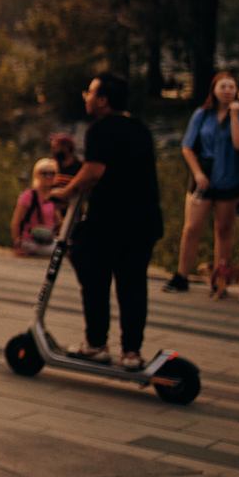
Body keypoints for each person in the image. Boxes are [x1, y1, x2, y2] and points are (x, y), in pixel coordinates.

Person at [54, 73, 164, 370]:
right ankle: (131, 352)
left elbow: (93, 172)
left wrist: (65, 191)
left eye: (89, 92)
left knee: (92, 274)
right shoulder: (139, 128)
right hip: (144, 220)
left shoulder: (100, 129)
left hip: (112, 220)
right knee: (132, 285)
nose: (85, 97)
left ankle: (96, 344)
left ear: (103, 100)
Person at [177, 71, 239, 299]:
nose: (228, 90)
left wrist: (234, 116)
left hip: (230, 176)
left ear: (236, 91)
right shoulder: (202, 115)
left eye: (231, 87)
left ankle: (220, 279)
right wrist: (198, 173)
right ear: (214, 89)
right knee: (191, 227)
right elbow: (187, 146)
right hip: (205, 174)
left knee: (223, 229)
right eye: (223, 86)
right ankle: (181, 275)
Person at [11, 158, 64, 257]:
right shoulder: (28, 196)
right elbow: (16, 222)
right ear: (37, 174)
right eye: (44, 173)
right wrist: (17, 244)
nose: (49, 176)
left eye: (52, 173)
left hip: (47, 239)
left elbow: (59, 223)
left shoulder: (53, 197)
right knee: (58, 252)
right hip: (30, 240)